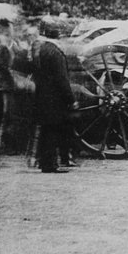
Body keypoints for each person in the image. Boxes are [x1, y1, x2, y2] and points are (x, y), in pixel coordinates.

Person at [30, 17, 76, 173]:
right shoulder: (55, 53)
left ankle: (45, 163)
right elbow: (62, 79)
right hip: (54, 98)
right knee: (53, 131)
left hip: (42, 94)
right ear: (58, 35)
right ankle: (50, 165)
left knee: (46, 130)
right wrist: (71, 98)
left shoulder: (41, 50)